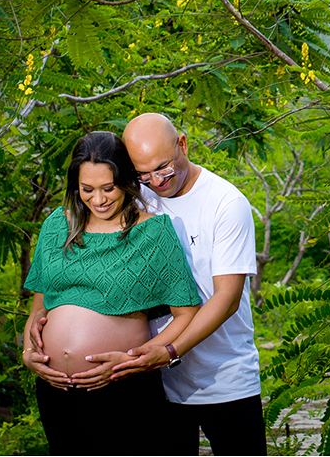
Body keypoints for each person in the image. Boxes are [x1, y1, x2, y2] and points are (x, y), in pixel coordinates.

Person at [21, 131, 201, 456]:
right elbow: (40, 305)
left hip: (122, 386)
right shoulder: (55, 226)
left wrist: (137, 360)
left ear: (127, 180)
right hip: (55, 388)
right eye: (87, 189)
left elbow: (186, 314)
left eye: (109, 188)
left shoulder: (153, 232)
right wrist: (27, 351)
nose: (99, 199)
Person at [103, 113, 265, 455]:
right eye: (142, 173)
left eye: (163, 168)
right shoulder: (137, 200)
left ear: (183, 144)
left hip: (226, 379)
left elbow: (227, 298)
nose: (156, 181)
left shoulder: (226, 203)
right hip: (159, 385)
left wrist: (169, 352)